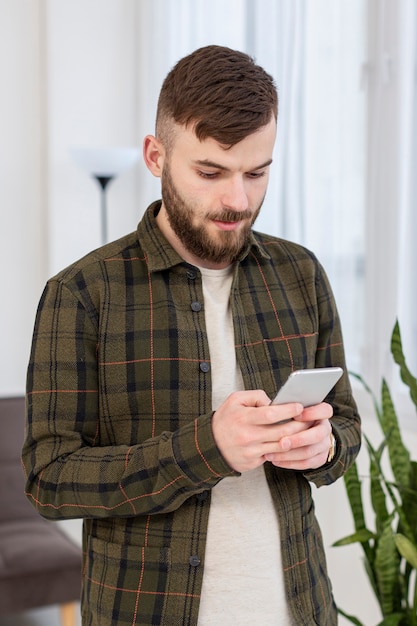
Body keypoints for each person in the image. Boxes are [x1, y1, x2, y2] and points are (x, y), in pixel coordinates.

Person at [23, 45, 361, 625]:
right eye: (210, 172)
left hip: (298, 607)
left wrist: (322, 448)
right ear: (157, 156)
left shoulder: (301, 274)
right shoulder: (82, 293)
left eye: (257, 173)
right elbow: (49, 479)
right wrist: (207, 449)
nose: (237, 200)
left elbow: (347, 425)